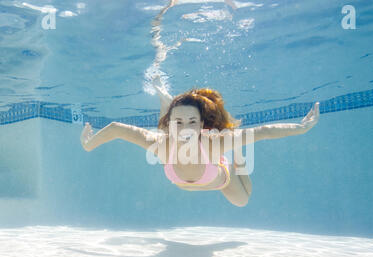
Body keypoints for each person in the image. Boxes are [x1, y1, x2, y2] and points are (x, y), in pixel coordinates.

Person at [80, 77, 319, 207]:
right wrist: (88, 144)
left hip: (220, 178)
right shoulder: (162, 143)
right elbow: (116, 129)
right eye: (180, 123)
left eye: (192, 123)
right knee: (166, 129)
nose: (185, 130)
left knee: (242, 201)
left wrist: (302, 127)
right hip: (181, 153)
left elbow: (264, 131)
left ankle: (239, 160)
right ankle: (167, 100)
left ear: (202, 124)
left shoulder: (214, 145)